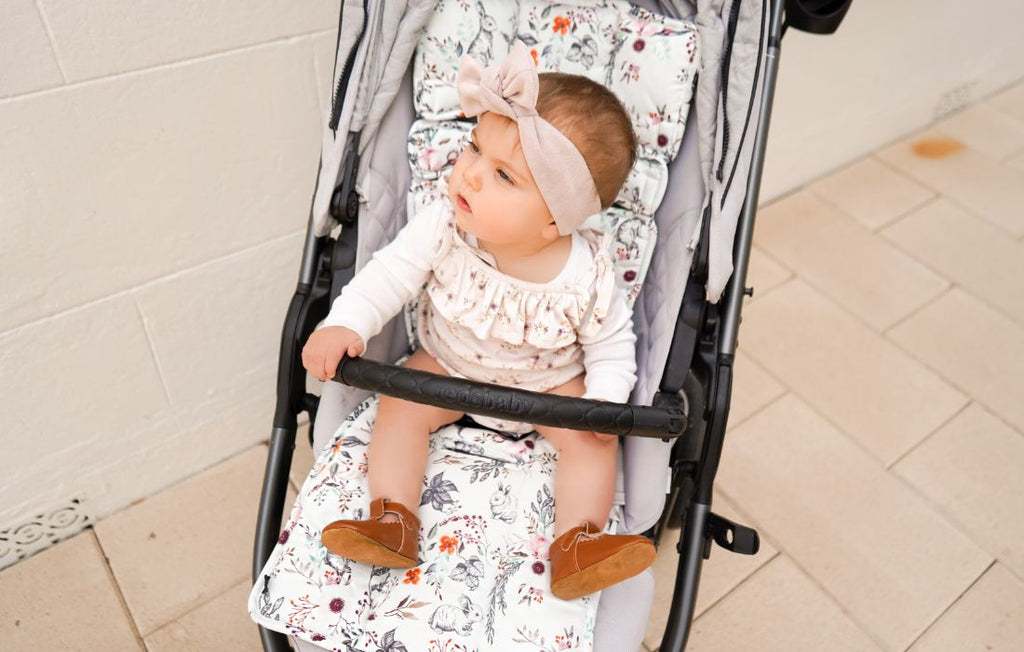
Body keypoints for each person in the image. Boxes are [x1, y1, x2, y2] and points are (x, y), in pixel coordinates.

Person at [301, 41, 655, 601]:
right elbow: (386, 276)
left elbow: (613, 343)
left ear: (553, 221)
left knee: (593, 444)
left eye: (503, 176)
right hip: (447, 362)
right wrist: (346, 323)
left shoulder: (586, 271)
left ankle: (578, 545)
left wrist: (604, 401)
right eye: (472, 151)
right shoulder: (443, 225)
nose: (467, 176)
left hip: (550, 386)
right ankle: (393, 520)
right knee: (398, 408)